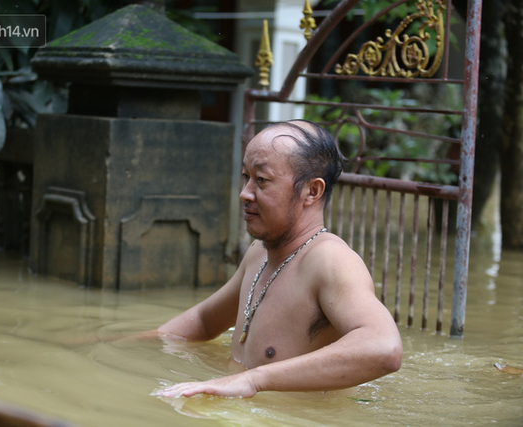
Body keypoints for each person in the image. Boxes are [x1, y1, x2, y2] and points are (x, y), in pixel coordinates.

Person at [155, 119, 402, 398]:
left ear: (312, 191)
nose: (245, 193)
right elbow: (203, 321)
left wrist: (254, 380)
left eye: (261, 180)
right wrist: (116, 343)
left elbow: (384, 348)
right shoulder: (259, 252)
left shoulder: (330, 260)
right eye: (246, 177)